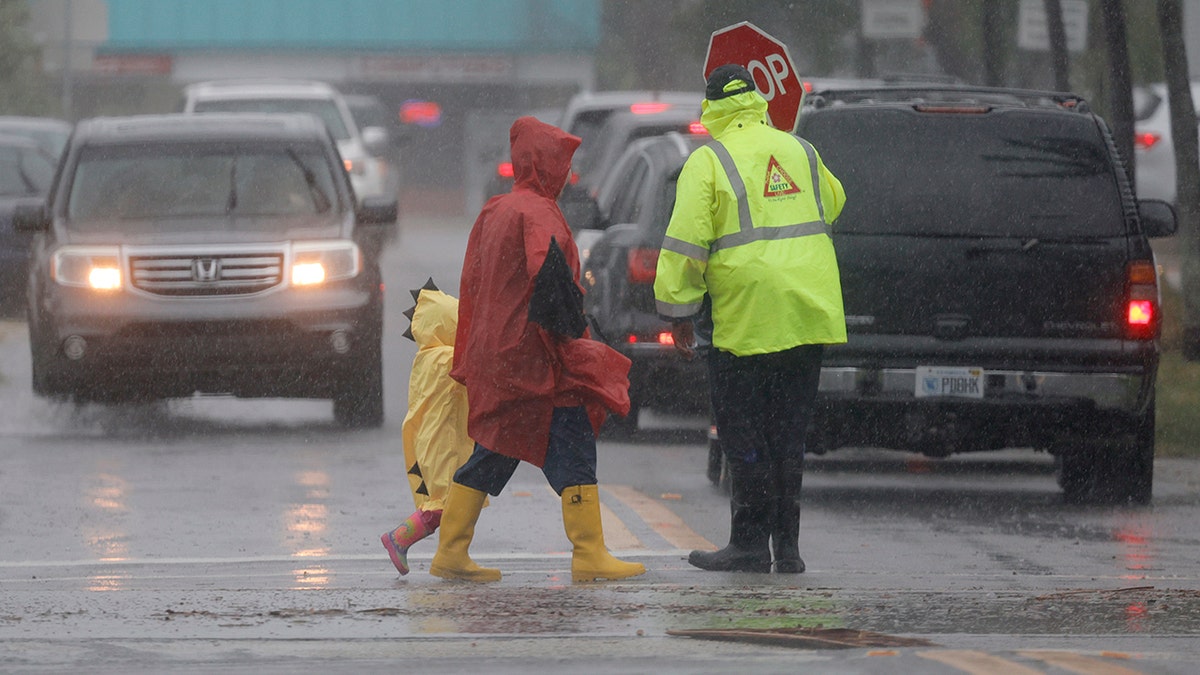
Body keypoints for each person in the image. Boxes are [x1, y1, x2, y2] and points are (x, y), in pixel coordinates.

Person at [428, 115, 645, 583]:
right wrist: (573, 336)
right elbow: (549, 281)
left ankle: (451, 549)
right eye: (561, 163)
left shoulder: (496, 208)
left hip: (498, 351)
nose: (566, 173)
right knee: (573, 436)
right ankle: (589, 552)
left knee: (497, 445)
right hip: (533, 355)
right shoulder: (540, 213)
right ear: (546, 165)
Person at [654, 64, 847, 574]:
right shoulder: (800, 149)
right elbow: (835, 200)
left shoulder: (709, 160)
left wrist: (678, 311)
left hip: (747, 316)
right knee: (788, 432)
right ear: (756, 101)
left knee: (744, 433)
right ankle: (788, 548)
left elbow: (685, 243)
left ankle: (747, 543)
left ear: (712, 106)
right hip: (808, 309)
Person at [380, 281, 477, 576]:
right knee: (446, 505)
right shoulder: (442, 358)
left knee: (449, 503)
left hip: (442, 440)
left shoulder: (431, 355)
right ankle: (400, 539)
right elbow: (470, 369)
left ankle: (445, 553)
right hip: (441, 443)